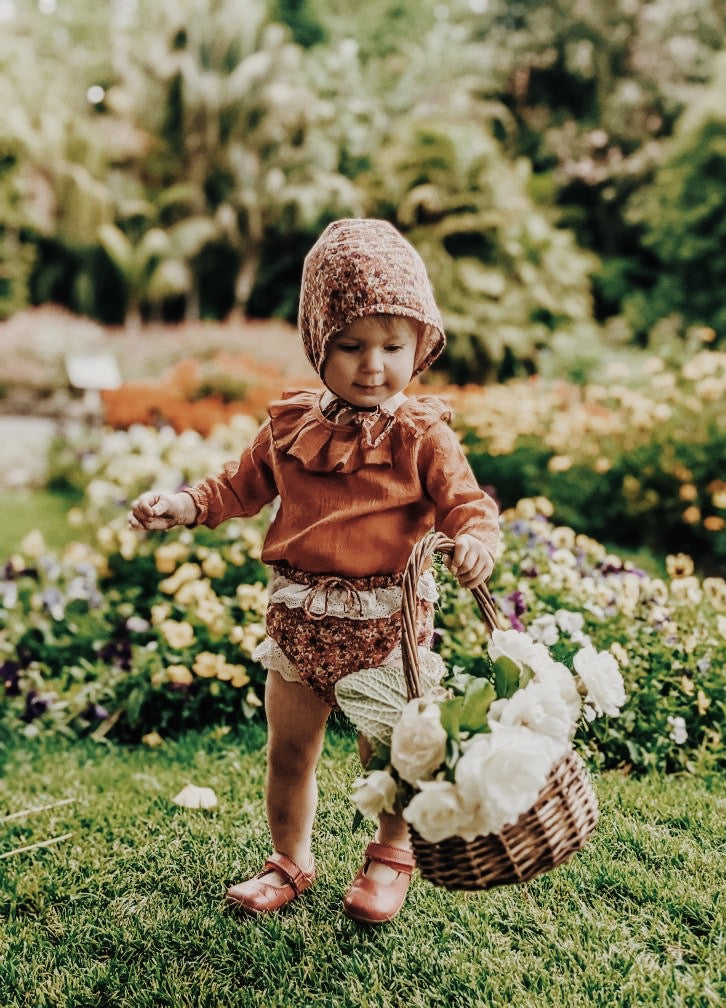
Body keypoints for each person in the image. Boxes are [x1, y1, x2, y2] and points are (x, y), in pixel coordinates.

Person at [129, 218, 500, 924]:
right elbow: (235, 486)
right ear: (317, 345)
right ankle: (289, 859)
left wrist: (476, 539)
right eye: (351, 346)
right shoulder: (293, 427)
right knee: (289, 752)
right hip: (300, 625)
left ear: (421, 346)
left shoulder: (422, 435)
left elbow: (467, 505)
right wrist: (181, 505)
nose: (372, 365)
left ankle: (391, 855)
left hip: (386, 634)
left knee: (388, 761)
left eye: (394, 346)